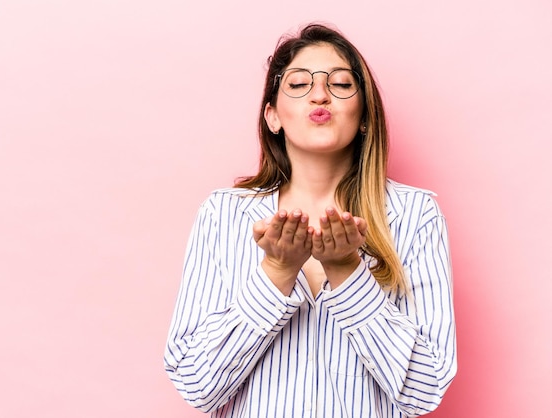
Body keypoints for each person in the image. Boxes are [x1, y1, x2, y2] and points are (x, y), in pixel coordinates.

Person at [164, 23, 456, 418]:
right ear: (272, 116)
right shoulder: (223, 215)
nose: (320, 94)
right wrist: (276, 272)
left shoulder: (415, 215)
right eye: (299, 84)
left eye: (339, 83)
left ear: (365, 115)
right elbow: (197, 385)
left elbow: (425, 390)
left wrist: (348, 272)